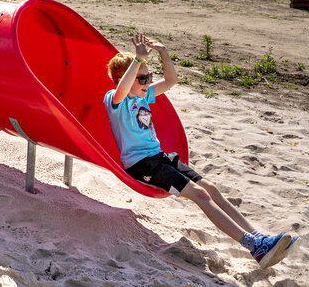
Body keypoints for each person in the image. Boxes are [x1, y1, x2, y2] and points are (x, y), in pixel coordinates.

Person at [105, 33, 298, 269]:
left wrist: (163, 52)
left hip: (159, 157)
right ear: (124, 78)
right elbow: (122, 90)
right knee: (200, 195)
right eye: (142, 78)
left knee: (210, 188)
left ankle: (260, 238)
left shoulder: (144, 95)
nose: (148, 82)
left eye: (149, 77)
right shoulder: (115, 100)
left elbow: (171, 80)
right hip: (141, 164)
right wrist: (136, 60)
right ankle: (253, 246)